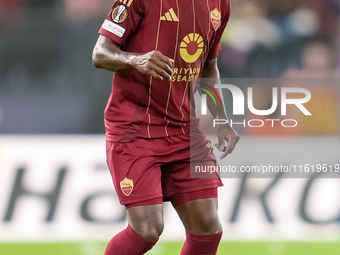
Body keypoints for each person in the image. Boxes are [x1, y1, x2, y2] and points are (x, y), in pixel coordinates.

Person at [92, 0, 240, 254]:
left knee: (208, 228)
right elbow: (100, 53)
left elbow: (208, 66)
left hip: (184, 129)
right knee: (146, 230)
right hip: (135, 129)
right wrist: (135, 60)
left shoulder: (220, 4)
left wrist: (222, 120)